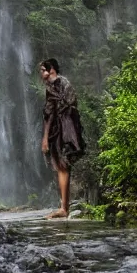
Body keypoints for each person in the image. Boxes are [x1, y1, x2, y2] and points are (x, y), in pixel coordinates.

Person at [39, 58, 84, 219]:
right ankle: (63, 206)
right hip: (61, 129)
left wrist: (46, 137)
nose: (41, 73)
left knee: (63, 165)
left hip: (65, 128)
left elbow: (65, 106)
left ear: (52, 69)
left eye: (43, 69)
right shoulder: (53, 86)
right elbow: (49, 113)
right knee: (61, 165)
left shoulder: (61, 83)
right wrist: (46, 137)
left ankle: (64, 208)